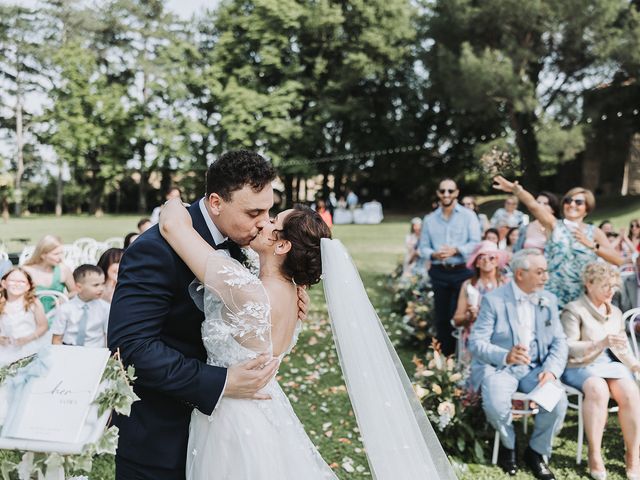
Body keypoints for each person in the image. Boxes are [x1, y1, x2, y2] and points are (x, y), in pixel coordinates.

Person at [108, 151, 307, 480]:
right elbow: (131, 346)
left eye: (269, 211)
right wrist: (223, 381)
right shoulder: (154, 249)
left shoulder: (244, 244)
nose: (264, 223)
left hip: (230, 436)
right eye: (254, 212)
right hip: (162, 438)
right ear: (216, 202)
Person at [160, 199, 338, 478]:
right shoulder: (293, 293)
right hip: (268, 410)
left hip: (231, 417)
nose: (263, 222)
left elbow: (172, 226)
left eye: (273, 221)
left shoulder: (245, 290)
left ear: (282, 245)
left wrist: (174, 201)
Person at [469, 249, 568, 479]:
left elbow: (560, 341)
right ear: (520, 274)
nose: (546, 277)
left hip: (537, 369)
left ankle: (536, 452)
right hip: (501, 368)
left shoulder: (548, 299)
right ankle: (508, 444)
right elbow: (476, 342)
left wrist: (551, 371)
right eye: (540, 272)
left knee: (558, 401)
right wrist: (505, 355)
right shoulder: (494, 300)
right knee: (494, 400)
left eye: (546, 271)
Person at [560, 262, 640, 480]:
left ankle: (633, 455)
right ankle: (594, 453)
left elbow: (621, 346)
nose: (610, 291)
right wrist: (600, 343)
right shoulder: (574, 309)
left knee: (631, 392)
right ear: (589, 284)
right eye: (605, 285)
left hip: (609, 364)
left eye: (613, 286)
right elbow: (568, 347)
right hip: (579, 365)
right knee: (598, 389)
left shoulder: (615, 312)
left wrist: (634, 365)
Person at [493, 177, 623, 308]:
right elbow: (534, 206)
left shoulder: (594, 232)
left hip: (581, 299)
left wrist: (592, 246)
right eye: (568, 200)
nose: (572, 205)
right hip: (551, 295)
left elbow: (618, 260)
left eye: (578, 202)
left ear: (587, 208)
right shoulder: (554, 225)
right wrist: (517, 190)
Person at [419, 178, 481, 355]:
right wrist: (433, 254)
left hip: (462, 271)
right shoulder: (429, 220)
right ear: (438, 193)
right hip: (439, 272)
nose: (446, 194)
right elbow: (423, 247)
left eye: (450, 191)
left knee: (458, 315)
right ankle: (444, 358)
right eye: (442, 191)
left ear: (457, 193)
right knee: (441, 317)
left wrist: (456, 250)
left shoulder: (469, 216)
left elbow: (476, 243)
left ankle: (460, 354)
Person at [452, 241, 508, 366]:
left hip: (500, 337)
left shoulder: (505, 284)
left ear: (497, 261)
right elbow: (457, 319)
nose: (487, 260)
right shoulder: (468, 285)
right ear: (476, 262)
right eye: (482, 257)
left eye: (491, 257)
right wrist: (469, 316)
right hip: (474, 336)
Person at [51, 264, 110, 347]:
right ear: (79, 287)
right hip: (68, 350)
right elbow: (56, 339)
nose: (101, 288)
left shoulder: (106, 308)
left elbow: (107, 336)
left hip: (95, 351)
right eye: (96, 285)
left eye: (102, 284)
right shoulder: (65, 309)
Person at [0, 268, 48, 366]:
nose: (17, 284)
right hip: (5, 347)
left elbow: (43, 326)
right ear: (4, 283)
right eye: (12, 281)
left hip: (29, 345)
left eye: (22, 282)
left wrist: (27, 338)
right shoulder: (1, 304)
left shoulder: (33, 303)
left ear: (28, 286)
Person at [22, 235, 76, 315]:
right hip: (31, 315)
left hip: (57, 315)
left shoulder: (63, 270)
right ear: (43, 255)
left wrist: (65, 297)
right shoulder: (26, 271)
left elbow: (75, 291)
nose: (61, 257)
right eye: (56, 254)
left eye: (61, 253)